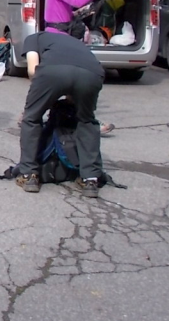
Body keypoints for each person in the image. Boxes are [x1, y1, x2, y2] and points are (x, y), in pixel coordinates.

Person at [16, 31, 106, 198]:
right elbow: (74, 79)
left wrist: (40, 102)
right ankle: (90, 179)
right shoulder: (74, 43)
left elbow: (32, 70)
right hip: (92, 73)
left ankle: (29, 175)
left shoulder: (33, 38)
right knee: (86, 120)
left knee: (31, 118)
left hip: (52, 72)